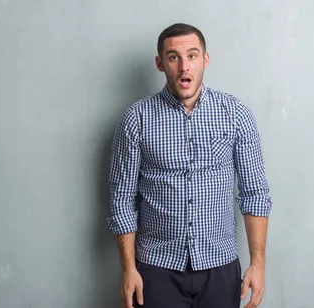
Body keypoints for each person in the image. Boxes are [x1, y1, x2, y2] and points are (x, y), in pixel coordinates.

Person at [106, 23, 272, 308]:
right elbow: (121, 199)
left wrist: (258, 264)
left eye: (192, 56)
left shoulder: (236, 115)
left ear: (205, 59)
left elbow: (255, 193)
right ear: (160, 63)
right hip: (156, 268)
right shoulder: (136, 120)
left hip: (219, 265)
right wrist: (128, 268)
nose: (184, 67)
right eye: (173, 57)